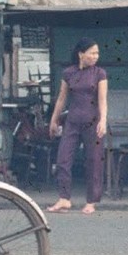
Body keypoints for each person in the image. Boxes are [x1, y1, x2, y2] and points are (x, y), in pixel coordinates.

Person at [47, 37, 109, 215]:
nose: (96, 56)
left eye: (97, 53)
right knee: (63, 159)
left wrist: (103, 120)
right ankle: (64, 199)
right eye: (92, 53)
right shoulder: (68, 73)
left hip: (93, 122)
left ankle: (91, 201)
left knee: (94, 161)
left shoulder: (100, 74)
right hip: (72, 122)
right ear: (81, 54)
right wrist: (54, 120)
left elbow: (103, 101)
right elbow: (61, 99)